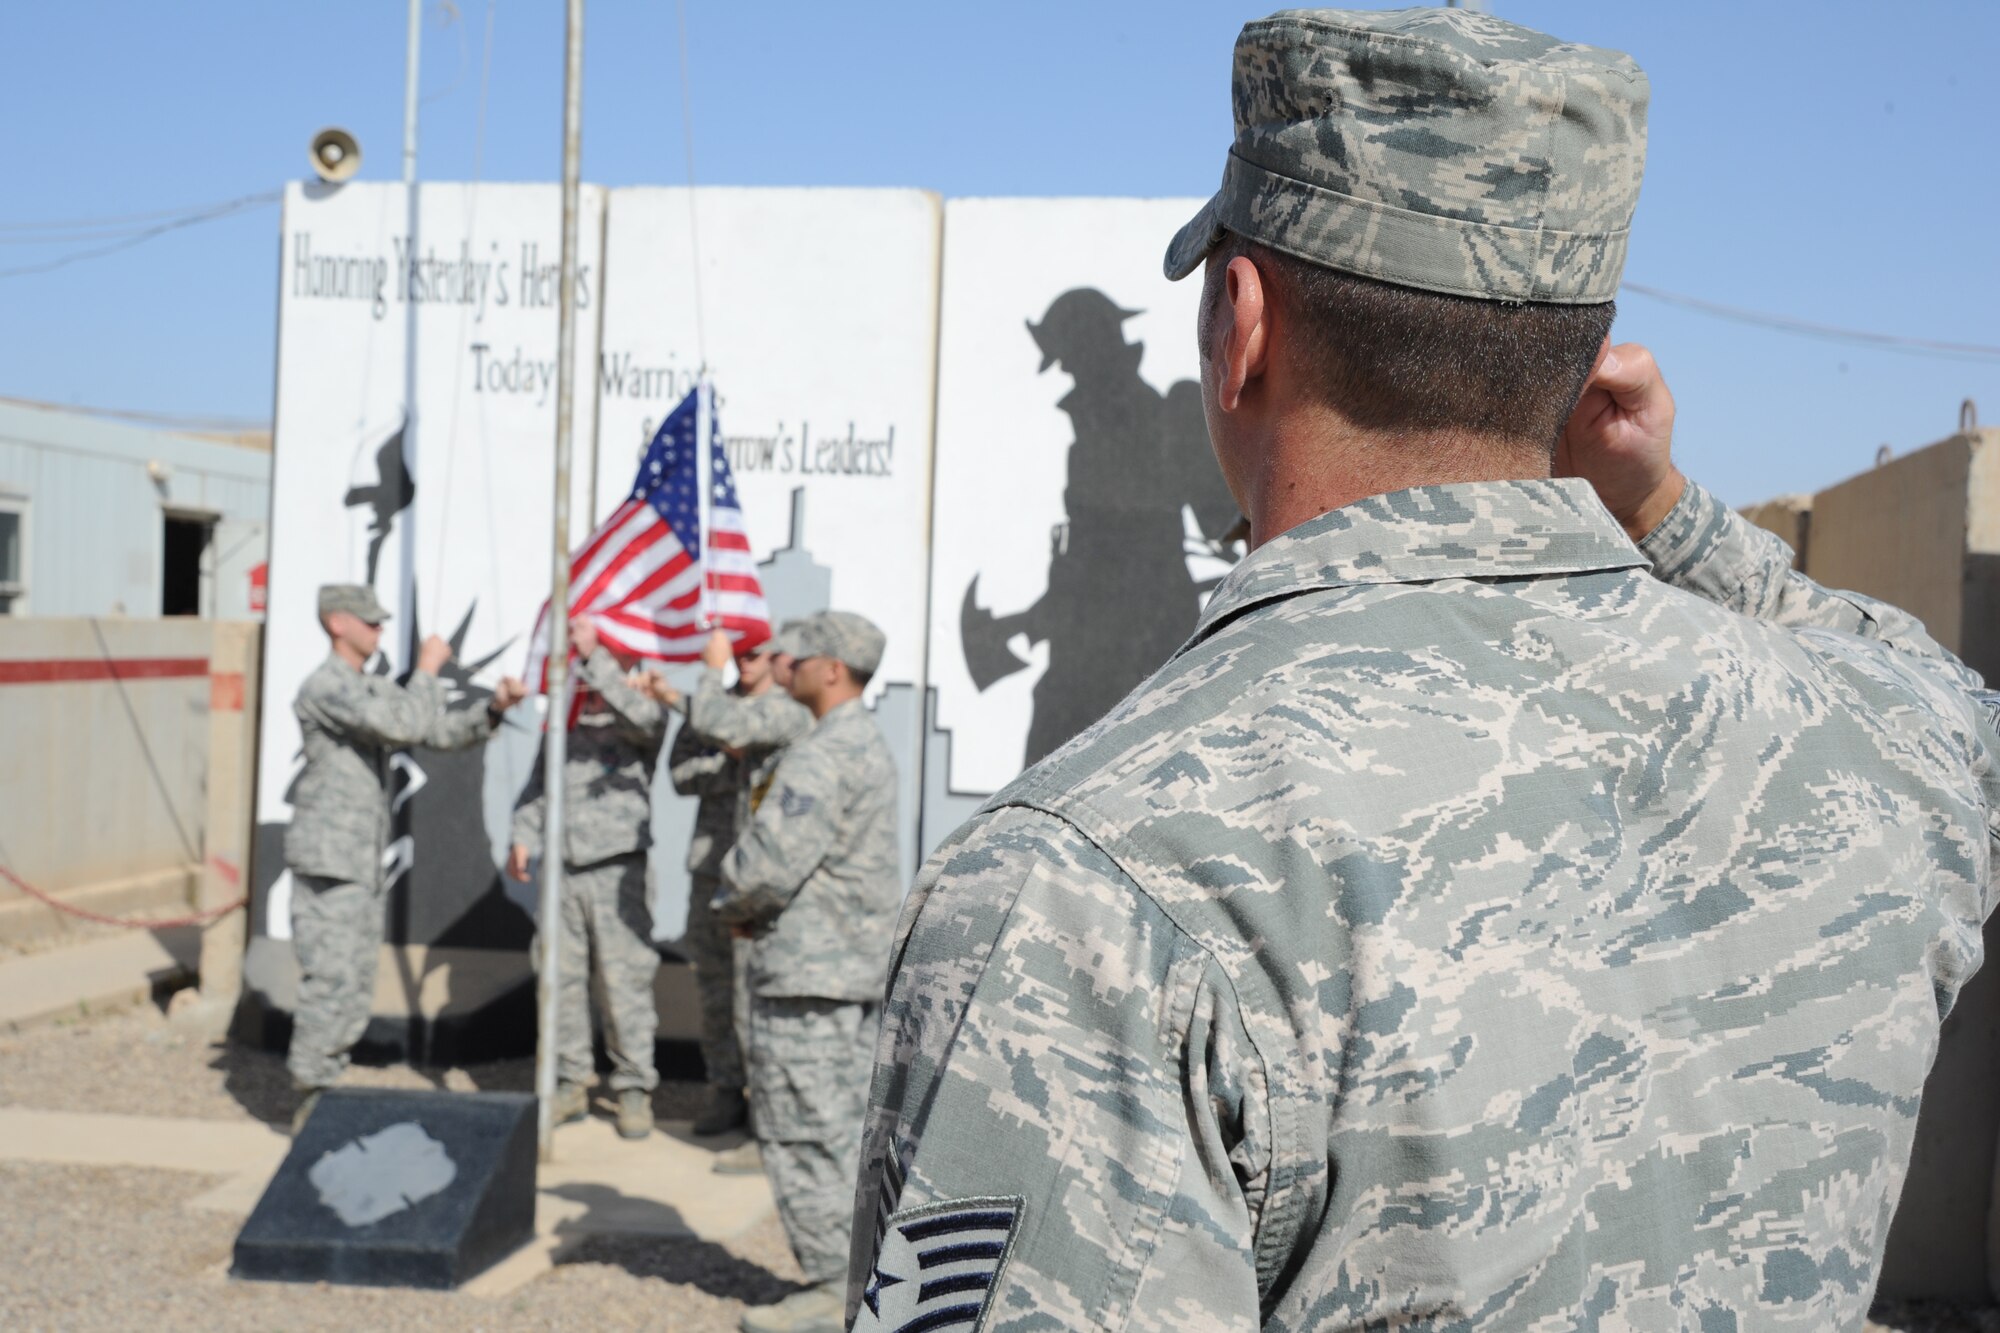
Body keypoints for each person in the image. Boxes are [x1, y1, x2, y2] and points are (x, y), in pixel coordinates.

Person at [847, 9, 2000, 1332]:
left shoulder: (1089, 887)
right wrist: (1667, 510)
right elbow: (1934, 691)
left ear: (1241, 323)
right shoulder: (1869, 744)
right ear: (1587, 349)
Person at [715, 611, 901, 1333]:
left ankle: (833, 1289)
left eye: (799, 657)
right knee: (846, 1130)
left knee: (803, 1130)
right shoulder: (863, 742)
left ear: (832, 670)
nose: (783, 664)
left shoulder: (824, 752)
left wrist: (731, 901)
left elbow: (767, 862)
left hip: (805, 975)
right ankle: (861, 1278)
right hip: (847, 974)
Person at [286, 583, 526, 1127]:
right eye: (369, 623)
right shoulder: (326, 687)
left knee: (351, 978)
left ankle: (321, 1088)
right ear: (336, 623)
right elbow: (407, 723)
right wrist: (428, 668)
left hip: (355, 858)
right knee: (331, 977)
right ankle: (310, 1093)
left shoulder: (364, 688)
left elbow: (434, 731)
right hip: (331, 857)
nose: (378, 630)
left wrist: (491, 710)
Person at [507, 615, 671, 1140]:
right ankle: (572, 1080)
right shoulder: (570, 711)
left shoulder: (638, 702)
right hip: (563, 867)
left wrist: (594, 658)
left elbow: (647, 725)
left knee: (625, 982)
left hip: (616, 864)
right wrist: (523, 832)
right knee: (561, 978)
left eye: (608, 648)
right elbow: (541, 779)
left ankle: (633, 1087)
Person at [658, 627, 813, 1137]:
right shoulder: (714, 704)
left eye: (754, 653)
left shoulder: (785, 709)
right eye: (738, 654)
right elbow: (682, 774)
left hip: (761, 878)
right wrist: (734, 759)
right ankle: (726, 1091)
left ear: (773, 657)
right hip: (711, 868)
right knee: (715, 986)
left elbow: (736, 734)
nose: (744, 662)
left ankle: (765, 1112)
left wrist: (729, 741)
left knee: (758, 991)